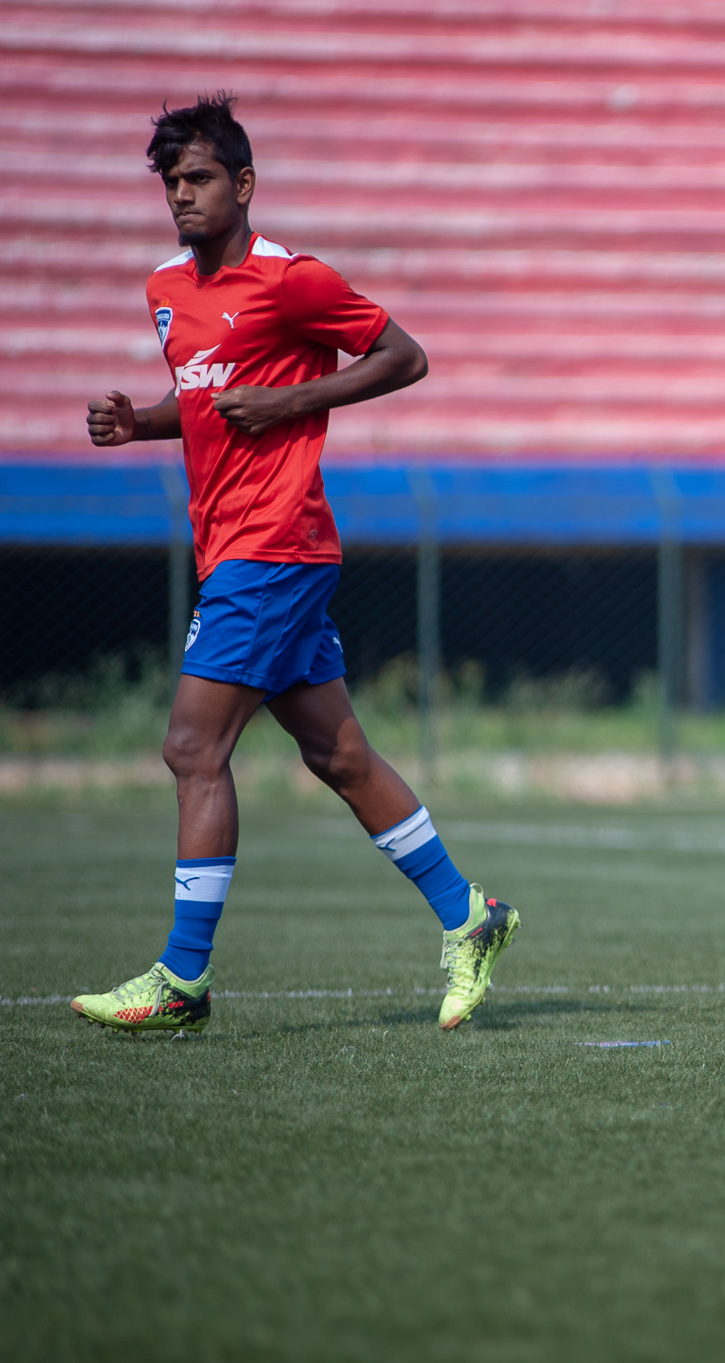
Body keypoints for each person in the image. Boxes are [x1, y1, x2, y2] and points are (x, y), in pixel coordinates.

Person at [72, 95, 519, 1035]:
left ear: (243, 184)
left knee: (193, 747)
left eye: (197, 179)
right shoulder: (164, 292)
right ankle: (470, 916)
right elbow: (204, 400)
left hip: (274, 546)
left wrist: (294, 403)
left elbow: (405, 357)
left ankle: (182, 980)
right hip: (234, 544)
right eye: (170, 182)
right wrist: (140, 423)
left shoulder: (294, 280)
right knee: (340, 755)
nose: (181, 197)